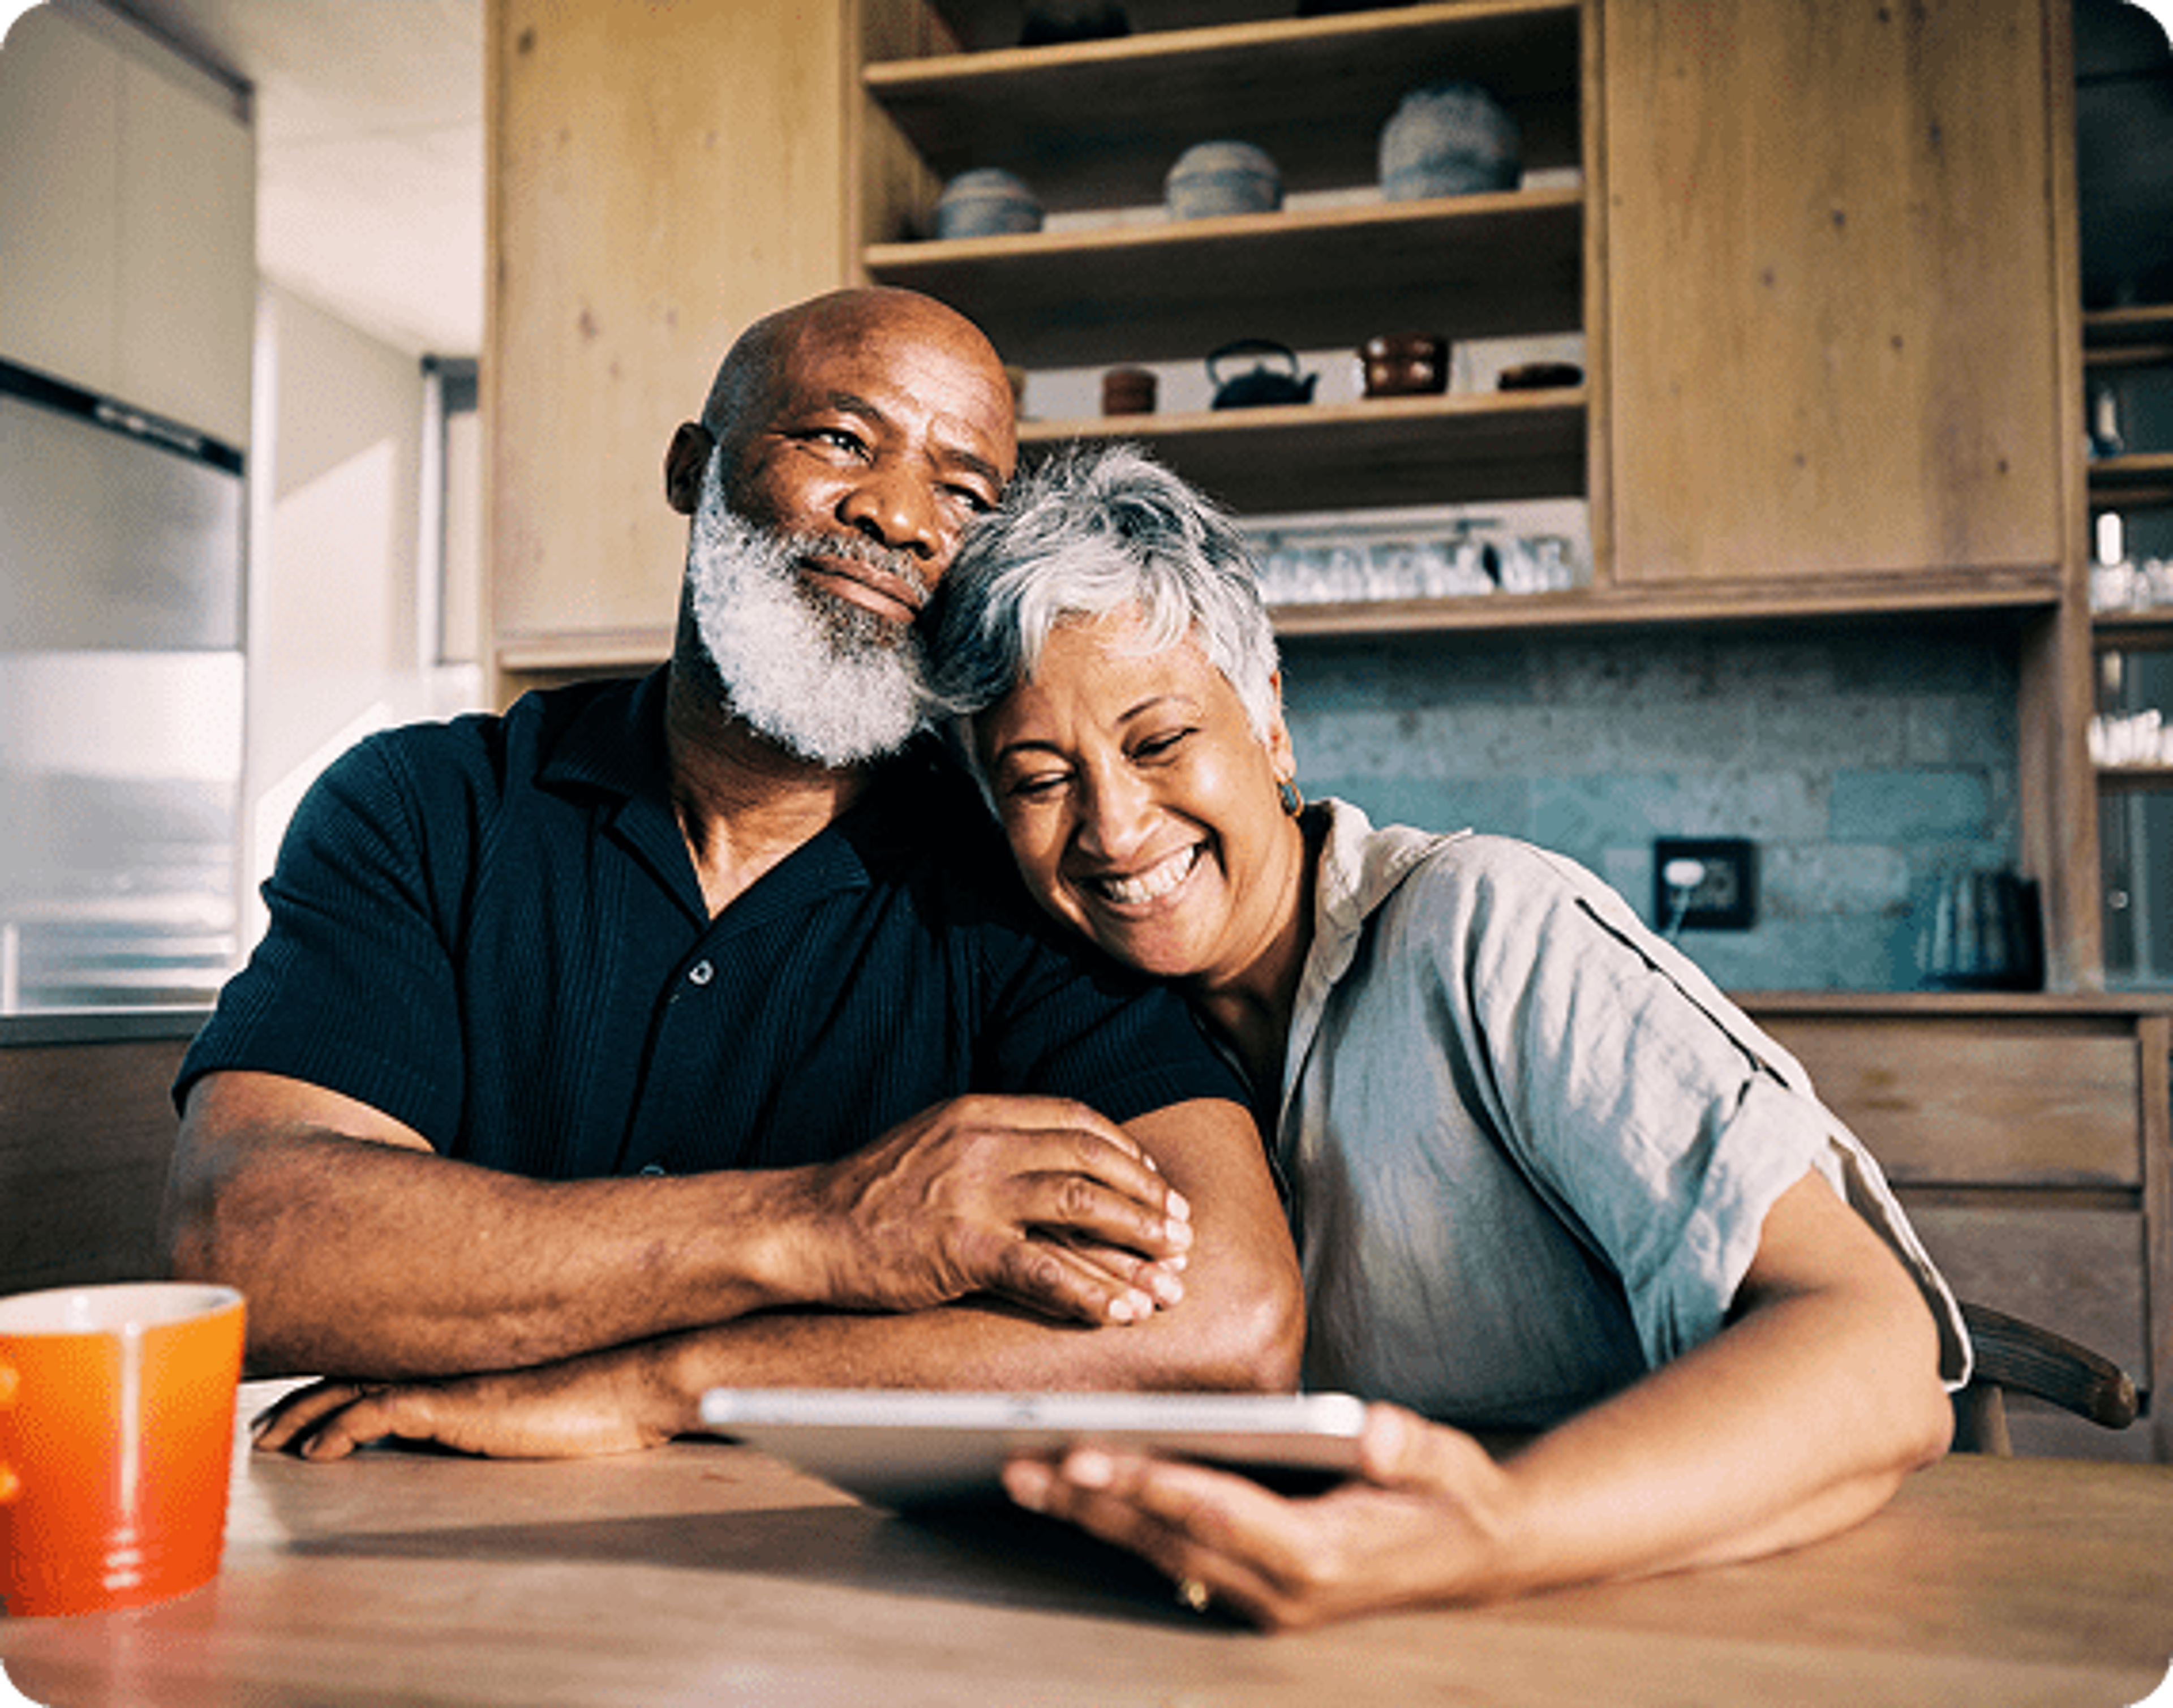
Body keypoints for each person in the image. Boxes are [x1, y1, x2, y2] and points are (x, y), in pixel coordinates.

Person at [161, 290, 1302, 1462]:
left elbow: (1232, 1321)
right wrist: (822, 1227)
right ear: (692, 470)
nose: (900, 516)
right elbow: (243, 1242)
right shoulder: (424, 811)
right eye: (842, 441)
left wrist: (674, 1383)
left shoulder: (1022, 877)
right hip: (400, 1568)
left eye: (964, 494)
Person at [923, 443, 1966, 1629]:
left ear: (1268, 720)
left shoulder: (1485, 926)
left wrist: (1486, 1534)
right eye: (1040, 780)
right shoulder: (1081, 1046)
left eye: (1159, 743)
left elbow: (1878, 1354)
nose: (1112, 827)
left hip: (1658, 1614)